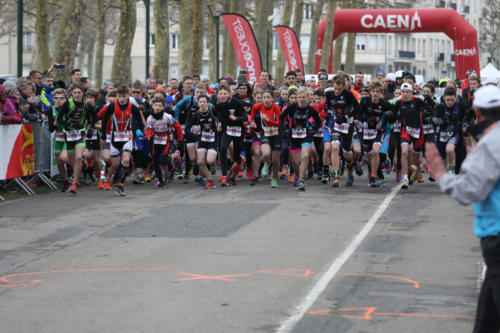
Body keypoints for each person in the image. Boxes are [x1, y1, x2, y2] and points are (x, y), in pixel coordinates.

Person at [425, 85, 500, 333]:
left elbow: (471, 190)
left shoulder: (491, 141)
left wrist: (442, 176)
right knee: (487, 313)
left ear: (477, 111)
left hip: (496, 232)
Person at [100, 84, 142, 196]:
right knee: (115, 164)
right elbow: (104, 121)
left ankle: (121, 186)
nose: (122, 99)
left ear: (128, 95)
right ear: (117, 96)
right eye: (119, 96)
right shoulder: (112, 106)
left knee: (126, 160)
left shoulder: (132, 107)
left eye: (124, 96)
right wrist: (103, 137)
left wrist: (134, 129)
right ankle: (108, 178)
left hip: (127, 136)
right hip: (114, 137)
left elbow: (138, 119)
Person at [279, 87, 321, 191]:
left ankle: (301, 180)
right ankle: (298, 177)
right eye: (300, 97)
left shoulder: (311, 109)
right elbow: (281, 117)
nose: (302, 99)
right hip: (293, 137)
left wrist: (313, 130)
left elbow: (318, 121)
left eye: (304, 97)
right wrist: (283, 129)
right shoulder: (291, 107)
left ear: (308, 98)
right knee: (297, 161)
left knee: (305, 155)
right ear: (297, 98)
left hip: (306, 136)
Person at [56, 84, 94, 194]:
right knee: (72, 160)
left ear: (82, 94)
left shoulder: (86, 105)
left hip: (80, 134)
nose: (77, 95)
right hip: (68, 135)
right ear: (71, 94)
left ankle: (74, 183)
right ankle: (82, 165)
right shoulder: (67, 104)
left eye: (79, 92)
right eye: (75, 93)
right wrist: (70, 123)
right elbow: (59, 119)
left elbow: (93, 117)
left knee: (78, 157)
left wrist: (90, 127)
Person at [144, 98, 184, 189]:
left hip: (167, 139)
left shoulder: (168, 117)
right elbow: (149, 130)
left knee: (162, 159)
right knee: (155, 162)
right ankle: (161, 181)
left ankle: (171, 162)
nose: (157, 107)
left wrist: (180, 140)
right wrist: (149, 137)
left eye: (160, 106)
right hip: (156, 140)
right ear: (152, 106)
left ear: (163, 108)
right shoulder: (150, 118)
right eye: (155, 105)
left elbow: (178, 128)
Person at [214, 85, 247, 186]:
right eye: (221, 94)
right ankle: (224, 176)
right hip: (226, 130)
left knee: (236, 156)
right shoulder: (218, 105)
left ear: (229, 94)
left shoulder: (236, 103)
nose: (223, 96)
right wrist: (219, 121)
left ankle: (238, 165)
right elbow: (216, 114)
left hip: (238, 130)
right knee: (222, 149)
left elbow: (245, 117)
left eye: (225, 93)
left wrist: (236, 118)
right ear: (218, 95)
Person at [251, 90, 281, 187]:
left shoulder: (276, 107)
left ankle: (274, 178)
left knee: (276, 160)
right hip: (266, 133)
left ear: (272, 98)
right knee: (266, 154)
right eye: (264, 97)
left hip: (276, 134)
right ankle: (267, 163)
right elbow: (253, 108)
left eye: (268, 97)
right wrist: (251, 120)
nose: (266, 100)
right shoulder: (259, 106)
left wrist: (268, 120)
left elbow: (279, 124)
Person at [185, 95, 217, 189]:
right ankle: (210, 180)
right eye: (201, 102)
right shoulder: (196, 115)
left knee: (209, 160)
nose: (202, 104)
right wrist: (196, 136)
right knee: (200, 161)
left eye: (204, 102)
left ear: (208, 103)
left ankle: (214, 163)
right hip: (203, 139)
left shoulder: (213, 112)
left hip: (213, 139)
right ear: (198, 103)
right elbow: (187, 128)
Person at [47, 88, 70, 191]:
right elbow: (51, 129)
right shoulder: (51, 110)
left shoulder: (70, 109)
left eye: (62, 98)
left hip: (69, 137)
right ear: (53, 99)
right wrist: (54, 124)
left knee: (64, 158)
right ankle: (65, 182)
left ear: (66, 99)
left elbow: (72, 125)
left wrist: (61, 121)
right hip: (58, 138)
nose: (59, 100)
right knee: (59, 163)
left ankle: (78, 165)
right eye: (57, 98)